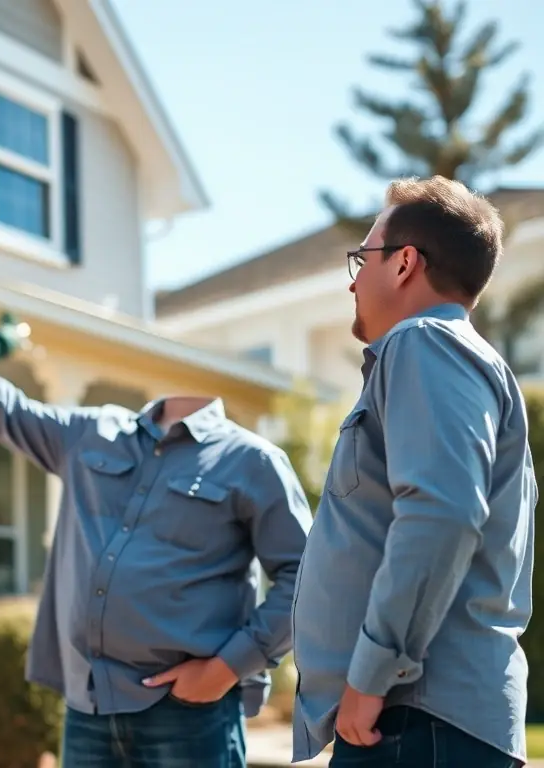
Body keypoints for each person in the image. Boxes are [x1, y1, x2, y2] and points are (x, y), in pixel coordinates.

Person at [0, 321, 313, 767]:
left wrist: (226, 669)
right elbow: (10, 411)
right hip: (89, 709)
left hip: (188, 713)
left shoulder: (253, 461)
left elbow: (308, 578)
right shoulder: (91, 433)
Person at [291, 176, 537, 768]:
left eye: (362, 258)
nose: (353, 279)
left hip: (412, 722)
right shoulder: (455, 358)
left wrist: (372, 677)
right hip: (426, 724)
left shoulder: (423, 341)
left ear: (404, 263)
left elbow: (443, 512)